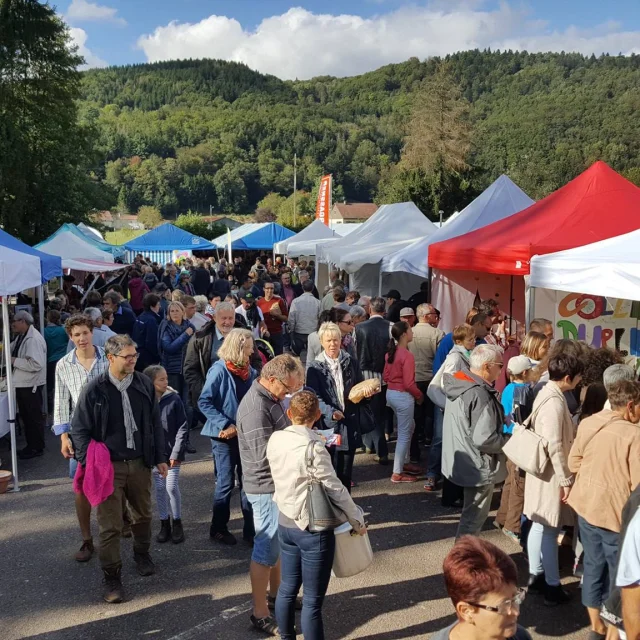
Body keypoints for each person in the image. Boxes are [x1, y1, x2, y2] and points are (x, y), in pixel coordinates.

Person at [71, 335, 168, 603]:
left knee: (143, 515)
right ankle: (112, 576)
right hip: (108, 467)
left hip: (139, 462)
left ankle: (141, 553)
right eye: (128, 356)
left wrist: (160, 456)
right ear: (111, 358)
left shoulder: (144, 384)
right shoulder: (95, 389)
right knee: (110, 525)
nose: (133, 360)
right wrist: (88, 461)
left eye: (134, 355)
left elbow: (154, 423)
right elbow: (79, 429)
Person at [267, 391, 367, 640]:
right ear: (317, 415)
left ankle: (287, 637)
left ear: (289, 413)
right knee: (312, 602)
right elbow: (335, 488)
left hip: (285, 520)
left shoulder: (276, 438)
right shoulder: (313, 448)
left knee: (287, 589)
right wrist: (356, 519)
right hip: (312, 526)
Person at [567, 380, 640, 637]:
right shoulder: (635, 435)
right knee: (620, 572)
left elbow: (573, 461)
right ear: (630, 405)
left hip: (586, 504)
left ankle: (595, 624)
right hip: (615, 514)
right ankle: (612, 628)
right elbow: (637, 485)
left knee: (593, 564)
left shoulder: (589, 422)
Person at [237, 355, 302, 635]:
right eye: (286, 388)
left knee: (275, 546)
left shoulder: (270, 398)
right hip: (265, 487)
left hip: (275, 485)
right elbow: (265, 456)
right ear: (272, 380)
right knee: (265, 550)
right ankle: (260, 612)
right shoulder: (255, 407)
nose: (288, 394)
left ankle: (277, 597)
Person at [524, 351, 584, 606]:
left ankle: (537, 576)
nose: (581, 381)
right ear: (569, 377)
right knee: (549, 529)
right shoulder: (555, 401)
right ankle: (550, 584)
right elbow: (554, 445)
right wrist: (565, 479)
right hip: (550, 474)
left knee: (540, 525)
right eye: (579, 377)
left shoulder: (547, 392)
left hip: (543, 472)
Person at [53, 314, 110, 562]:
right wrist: (63, 436)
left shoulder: (109, 358)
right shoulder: (64, 365)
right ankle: (87, 539)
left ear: (92, 332)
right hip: (80, 433)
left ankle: (113, 531)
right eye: (76, 335)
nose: (81, 338)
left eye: (85, 333)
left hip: (110, 429)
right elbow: (60, 402)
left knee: (114, 480)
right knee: (81, 486)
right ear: (70, 337)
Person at [441, 344, 507, 539]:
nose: (501, 370)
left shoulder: (460, 381)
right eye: (499, 365)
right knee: (473, 521)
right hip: (478, 465)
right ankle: (463, 564)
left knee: (469, 516)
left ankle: (463, 560)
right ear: (487, 366)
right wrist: (509, 440)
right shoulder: (479, 393)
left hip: (462, 457)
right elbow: (485, 438)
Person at [199, 329, 257, 546]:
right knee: (225, 484)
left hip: (245, 434)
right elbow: (204, 401)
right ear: (239, 348)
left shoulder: (248, 370)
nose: (252, 352)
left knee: (248, 482)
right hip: (223, 436)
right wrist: (225, 424)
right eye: (249, 348)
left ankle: (250, 531)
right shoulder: (220, 370)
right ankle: (218, 528)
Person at [433, 537, 531, 640]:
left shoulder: (520, 636)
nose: (516, 612)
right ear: (466, 611)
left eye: (515, 598)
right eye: (504, 605)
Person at [306, 322, 365, 490]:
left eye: (336, 340)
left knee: (346, 471)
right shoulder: (314, 368)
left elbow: (359, 386)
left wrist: (365, 395)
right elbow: (314, 397)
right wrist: (331, 413)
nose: (333, 344)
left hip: (349, 423)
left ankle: (346, 511)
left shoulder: (351, 362)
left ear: (341, 340)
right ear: (322, 342)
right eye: (328, 340)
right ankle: (331, 512)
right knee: (328, 468)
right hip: (328, 427)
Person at [426, 324, 476, 492]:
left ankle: (442, 476)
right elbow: (447, 382)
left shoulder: (464, 354)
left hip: (452, 403)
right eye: (470, 339)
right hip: (448, 404)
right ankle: (434, 474)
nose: (473, 342)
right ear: (459, 341)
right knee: (441, 439)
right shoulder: (456, 357)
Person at [144, 365, 189, 545]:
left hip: (172, 453)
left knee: (171, 487)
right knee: (160, 489)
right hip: (155, 455)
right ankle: (164, 523)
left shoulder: (174, 399)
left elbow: (183, 426)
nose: (166, 382)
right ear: (151, 382)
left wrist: (177, 451)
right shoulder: (145, 401)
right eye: (161, 379)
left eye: (166, 379)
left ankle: (177, 521)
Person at [494, 355, 534, 542]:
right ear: (525, 372)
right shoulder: (523, 390)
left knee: (510, 480)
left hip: (507, 437)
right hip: (518, 438)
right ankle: (513, 525)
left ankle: (502, 516)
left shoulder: (508, 388)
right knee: (519, 482)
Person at [383, 321, 424, 483]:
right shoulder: (407, 355)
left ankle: (404, 463)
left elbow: (386, 376)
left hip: (391, 394)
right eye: (410, 330)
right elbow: (409, 383)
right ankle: (397, 472)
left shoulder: (390, 354)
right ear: (404, 335)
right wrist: (419, 395)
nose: (412, 332)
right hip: (403, 396)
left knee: (408, 427)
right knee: (404, 434)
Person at [355, 296, 390, 464]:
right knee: (379, 413)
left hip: (364, 374)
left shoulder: (359, 327)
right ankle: (376, 447)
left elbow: (355, 350)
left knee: (366, 409)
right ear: (384, 310)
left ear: (370, 309)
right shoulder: (391, 327)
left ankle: (371, 445)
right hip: (385, 375)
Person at [408, 303, 444, 462]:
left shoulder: (409, 332)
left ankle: (416, 442)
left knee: (415, 413)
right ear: (426, 316)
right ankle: (429, 439)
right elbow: (441, 357)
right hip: (431, 377)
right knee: (431, 411)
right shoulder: (438, 333)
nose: (435, 317)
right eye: (433, 314)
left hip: (413, 378)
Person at [11, 311, 47, 460]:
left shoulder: (32, 339)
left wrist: (13, 361)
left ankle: (36, 447)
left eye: (15, 321)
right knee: (27, 417)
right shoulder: (22, 336)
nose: (12, 324)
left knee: (32, 417)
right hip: (25, 383)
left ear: (23, 322)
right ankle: (32, 445)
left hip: (30, 384)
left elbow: (36, 364)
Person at [288, 279, 321, 365]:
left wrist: (291, 330)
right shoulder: (318, 302)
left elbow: (292, 318)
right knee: (312, 355)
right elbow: (320, 317)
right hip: (313, 331)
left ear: (302, 288)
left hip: (299, 331)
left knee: (297, 356)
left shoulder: (296, 301)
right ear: (313, 288)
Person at [44, 309, 69, 413]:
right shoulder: (64, 330)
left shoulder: (43, 331)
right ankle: (64, 407)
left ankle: (51, 408)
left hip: (50, 362)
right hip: (64, 360)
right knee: (64, 386)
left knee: (50, 386)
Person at [257, 281, 288, 356]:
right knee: (265, 356)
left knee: (278, 356)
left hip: (277, 333)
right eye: (267, 288)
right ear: (264, 289)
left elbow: (286, 318)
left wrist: (277, 315)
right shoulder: (259, 302)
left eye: (272, 288)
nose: (269, 290)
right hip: (264, 334)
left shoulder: (279, 301)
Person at [132, 294, 162, 371]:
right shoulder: (151, 320)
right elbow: (152, 341)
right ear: (152, 306)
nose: (160, 306)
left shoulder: (140, 317)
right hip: (148, 358)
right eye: (158, 304)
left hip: (138, 354)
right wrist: (157, 357)